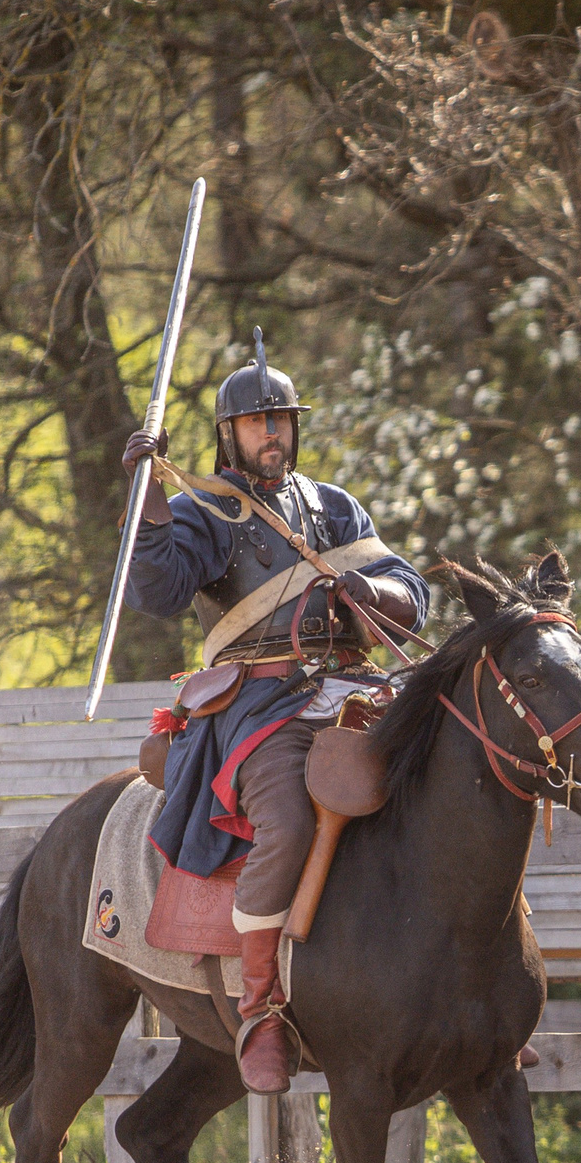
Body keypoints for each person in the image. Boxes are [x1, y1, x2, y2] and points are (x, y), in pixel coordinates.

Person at [119, 329, 428, 1094]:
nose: (273, 433)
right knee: (288, 817)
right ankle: (261, 1006)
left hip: (354, 689)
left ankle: (455, 985)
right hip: (258, 701)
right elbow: (156, 595)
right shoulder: (205, 512)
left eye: (282, 419)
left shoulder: (334, 506)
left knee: (449, 777)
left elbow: (412, 594)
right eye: (259, 422)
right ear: (229, 434)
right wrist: (149, 501)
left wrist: (376, 596)